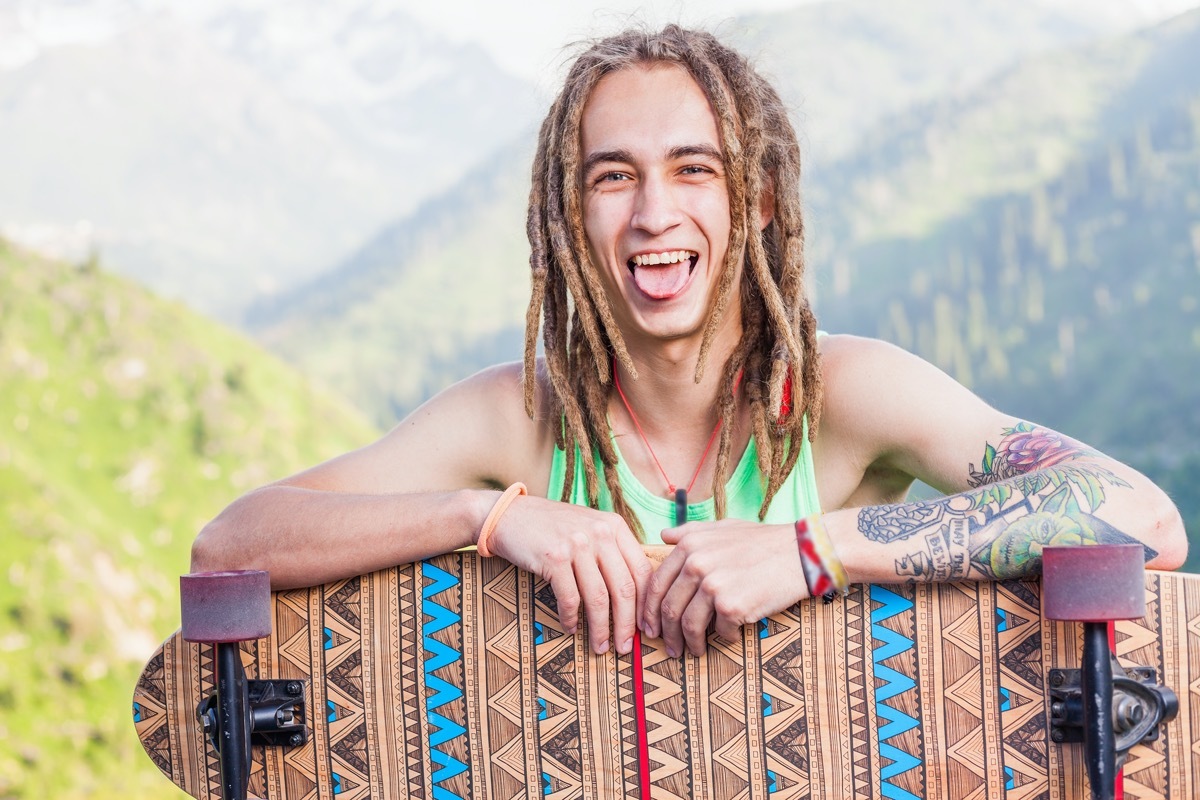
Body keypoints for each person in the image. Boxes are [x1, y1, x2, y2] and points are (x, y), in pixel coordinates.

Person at [191, 26, 1186, 663]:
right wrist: (487, 516)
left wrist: (812, 549)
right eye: (613, 176)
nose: (653, 213)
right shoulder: (517, 416)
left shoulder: (842, 393)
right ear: (569, 213)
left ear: (752, 201)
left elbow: (1140, 515)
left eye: (693, 169)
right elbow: (229, 542)